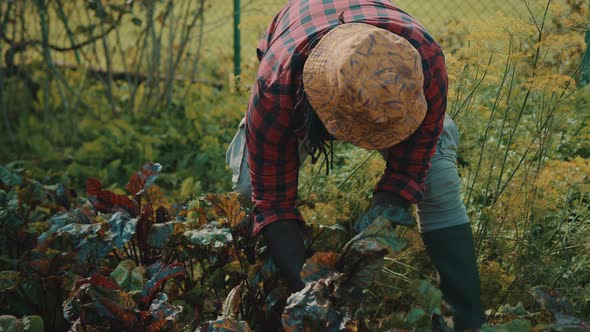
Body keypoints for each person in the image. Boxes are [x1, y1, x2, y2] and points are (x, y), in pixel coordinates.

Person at [226, 0, 485, 330]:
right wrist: (313, 293)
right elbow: (273, 204)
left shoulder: (425, 61)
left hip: (388, 83)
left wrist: (370, 238)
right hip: (298, 72)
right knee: (250, 189)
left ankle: (470, 320)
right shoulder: (277, 88)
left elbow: (409, 170)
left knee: (439, 183)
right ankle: (268, 296)